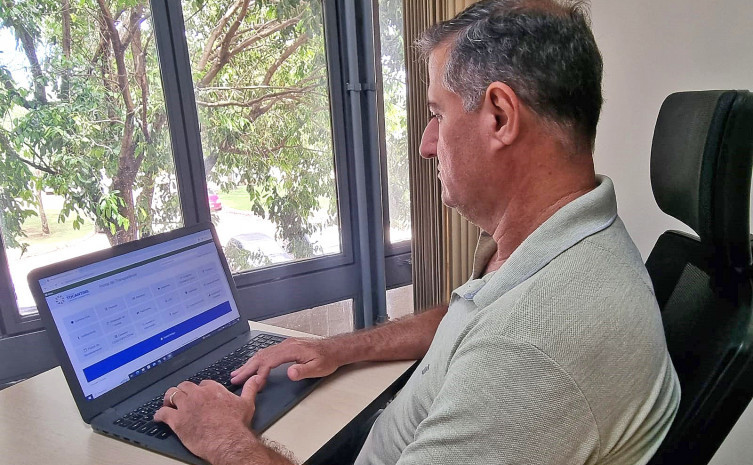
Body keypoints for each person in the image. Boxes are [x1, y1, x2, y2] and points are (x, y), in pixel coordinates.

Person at [155, 0, 681, 463]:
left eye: (438, 114)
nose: (428, 144)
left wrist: (226, 440)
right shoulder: (564, 244)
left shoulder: (535, 344)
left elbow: (506, 345)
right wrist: (340, 349)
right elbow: (465, 321)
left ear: (500, 116)